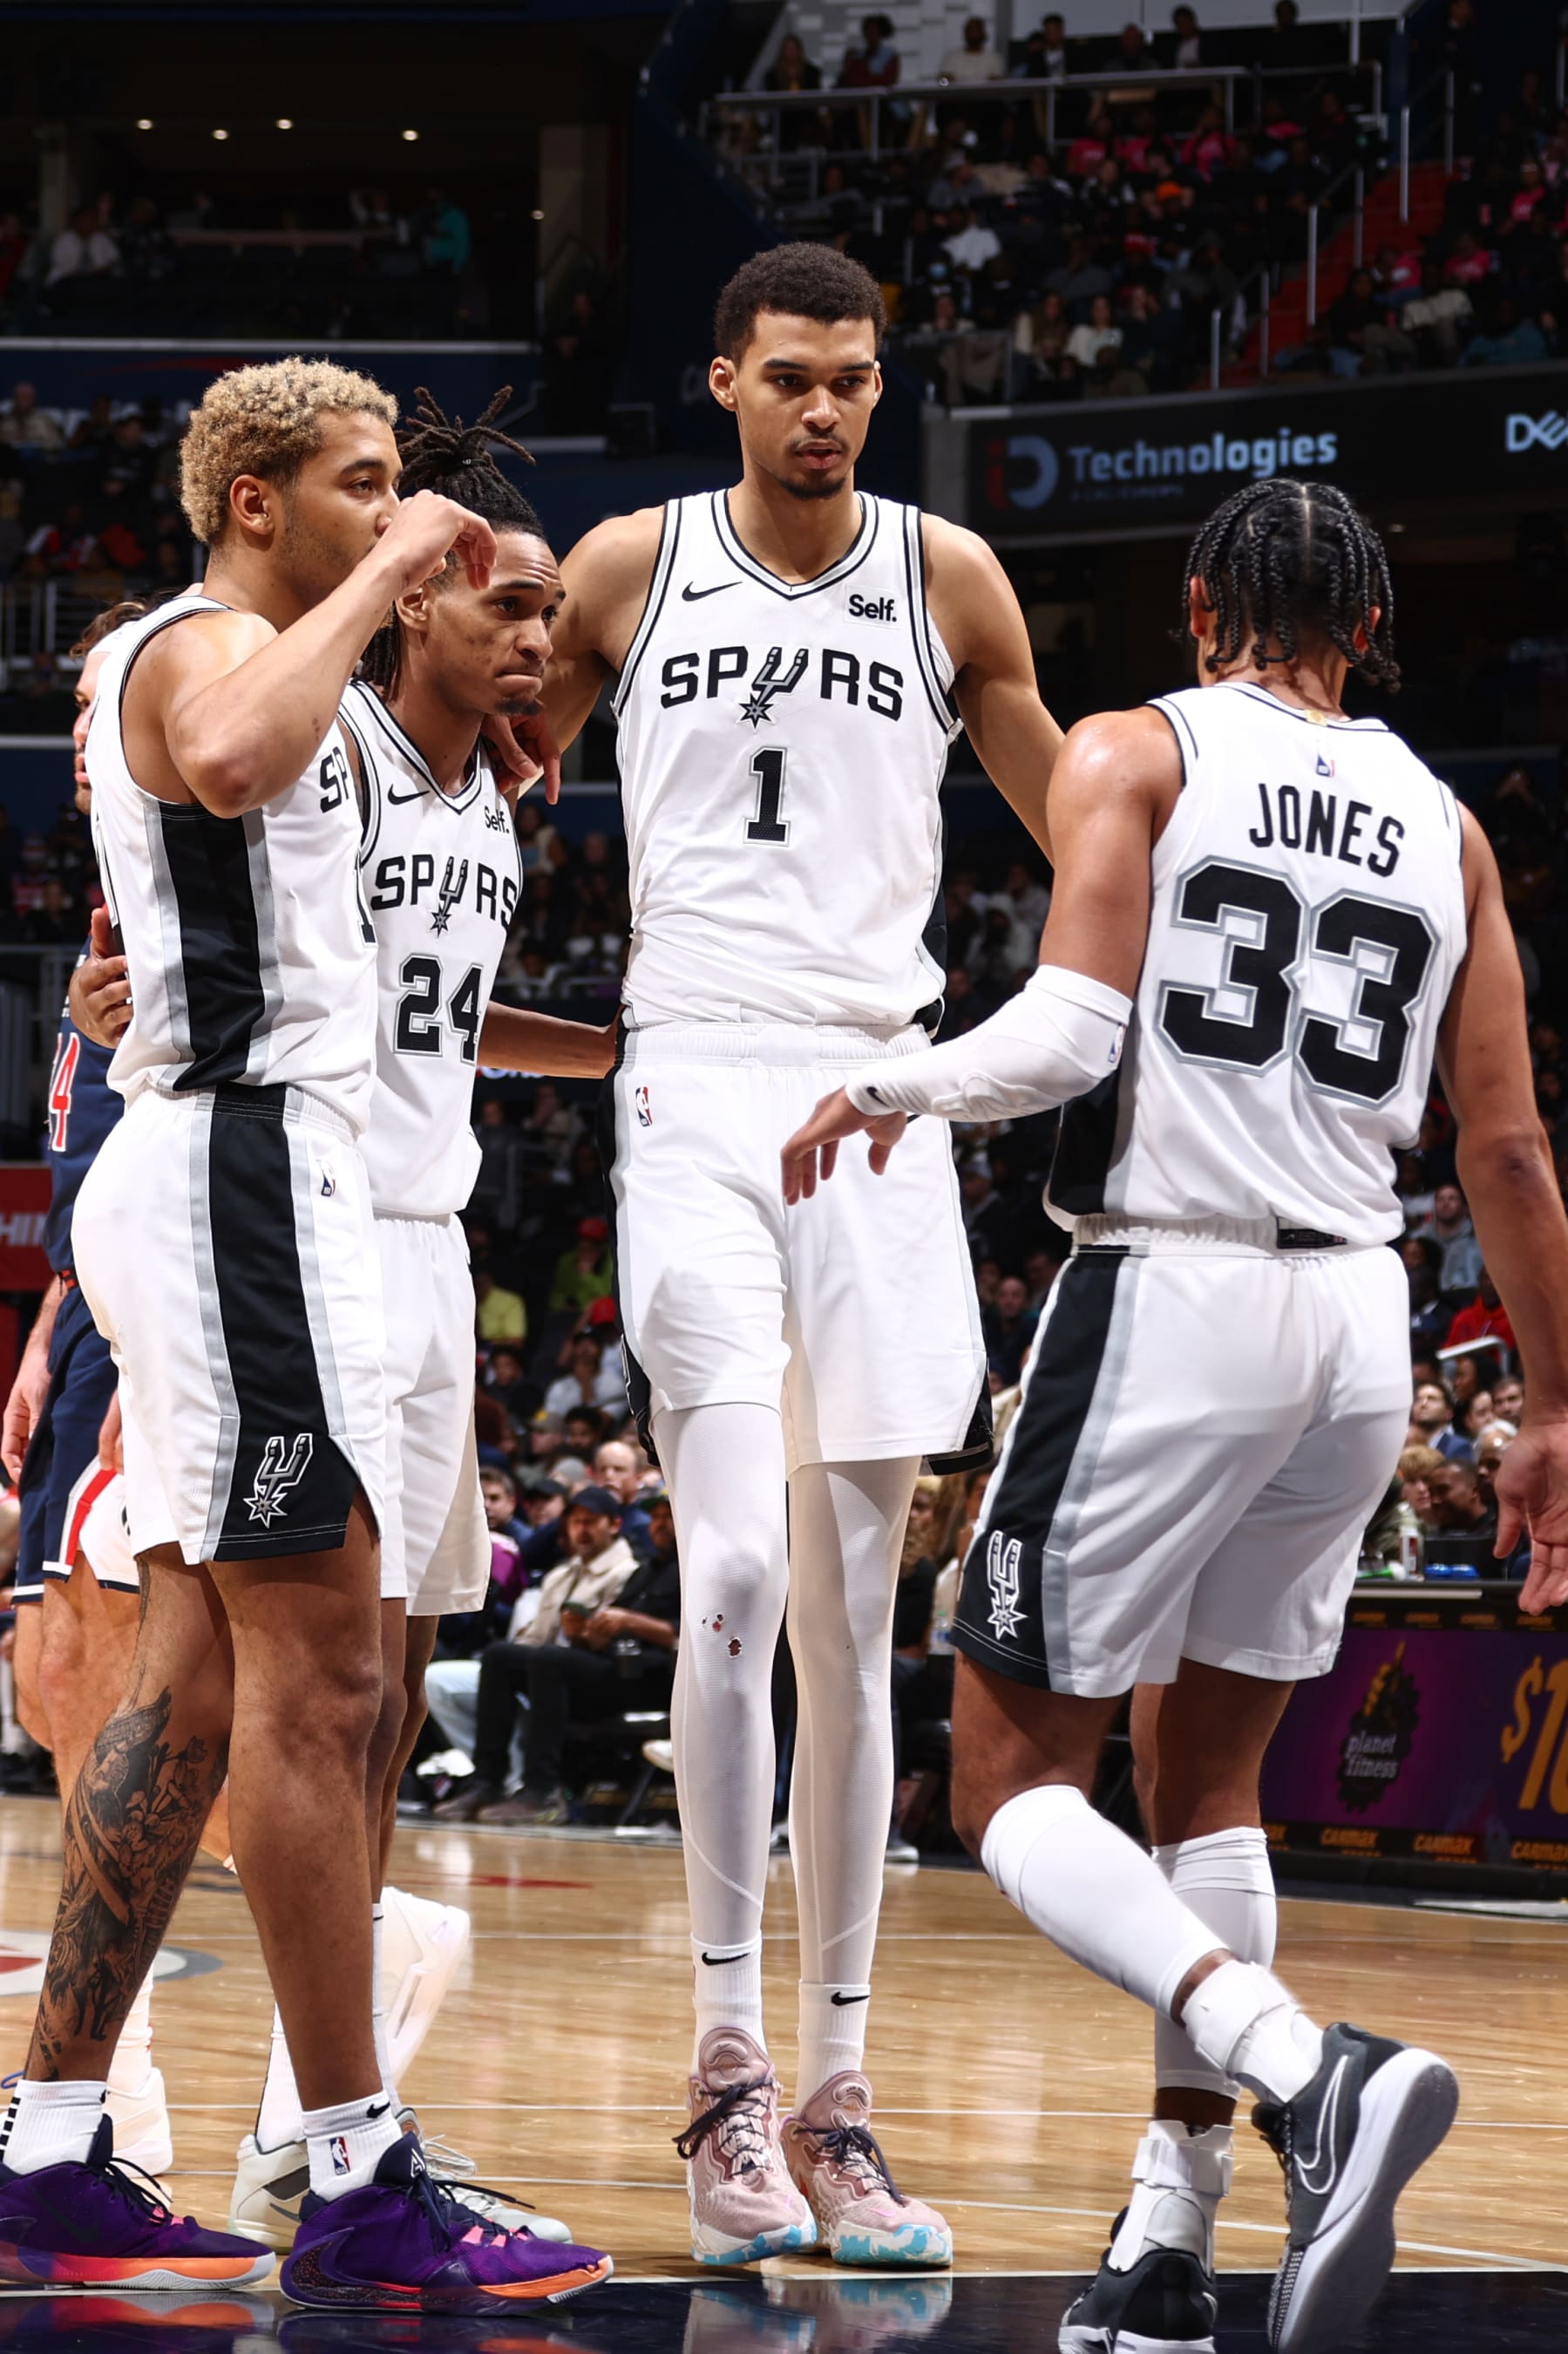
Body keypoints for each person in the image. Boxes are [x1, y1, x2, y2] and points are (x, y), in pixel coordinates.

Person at [781, 473, 1568, 2350]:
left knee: (999, 1778)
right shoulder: (1444, 828)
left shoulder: (1139, 745)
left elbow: (1068, 1033)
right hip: (1358, 1314)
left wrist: (888, 1083)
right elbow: (1509, 1146)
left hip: (1169, 1284)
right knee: (1202, 1783)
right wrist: (1546, 1409)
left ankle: (1304, 2074)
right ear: (1362, 630)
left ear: (1201, 611)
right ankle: (1166, 2242)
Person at [10, 357, 608, 2308]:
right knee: (327, 1687)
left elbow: (284, 885)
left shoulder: (303, 691)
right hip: (246, 1187)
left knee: (193, 1693)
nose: (398, 517)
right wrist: (378, 590)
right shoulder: (189, 644)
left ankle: (44, 2145)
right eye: (360, 487)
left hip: (267, 1171)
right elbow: (243, 752)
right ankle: (351, 2170)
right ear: (254, 501)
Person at [537, 242, 1061, 2270]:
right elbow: (496, 780)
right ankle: (724, 2066)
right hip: (692, 1085)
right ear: (726, 381)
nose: (827, 409)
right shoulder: (627, 566)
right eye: (792, 378)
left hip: (885, 1099)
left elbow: (1072, 816)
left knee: (858, 1620)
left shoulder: (949, 579)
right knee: (737, 1567)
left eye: (855, 377)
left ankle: (837, 2096)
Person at [221, 388, 614, 2250]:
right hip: (325, 1235)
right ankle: (308, 2118)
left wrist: (613, 1047)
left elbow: (448, 1024)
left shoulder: (487, 806)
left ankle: (326, 2097)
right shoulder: (346, 758)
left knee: (382, 1721)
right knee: (334, 1689)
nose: (535, 633)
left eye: (544, 607)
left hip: (434, 1251)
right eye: (499, 600)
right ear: (412, 605)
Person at [0, 602, 183, 2174]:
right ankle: (116, 2083)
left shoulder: (205, 873)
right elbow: (87, 1175)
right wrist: (53, 1317)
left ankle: (122, 2092)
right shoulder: (104, 926)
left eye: (100, 694)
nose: (82, 725)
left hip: (179, 1307)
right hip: (93, 1319)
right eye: (71, 701)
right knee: (56, 1686)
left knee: (162, 1705)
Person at [446, 1485, 680, 1826]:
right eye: (656, 1517)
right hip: (615, 1666)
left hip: (654, 1679)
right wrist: (585, 1633)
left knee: (550, 1660)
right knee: (500, 1656)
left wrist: (629, 1621)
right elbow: (608, 1633)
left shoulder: (690, 1571)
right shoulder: (647, 1570)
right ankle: (488, 1781)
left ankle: (543, 1790)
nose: (659, 1524)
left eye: (669, 1517)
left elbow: (686, 1633)